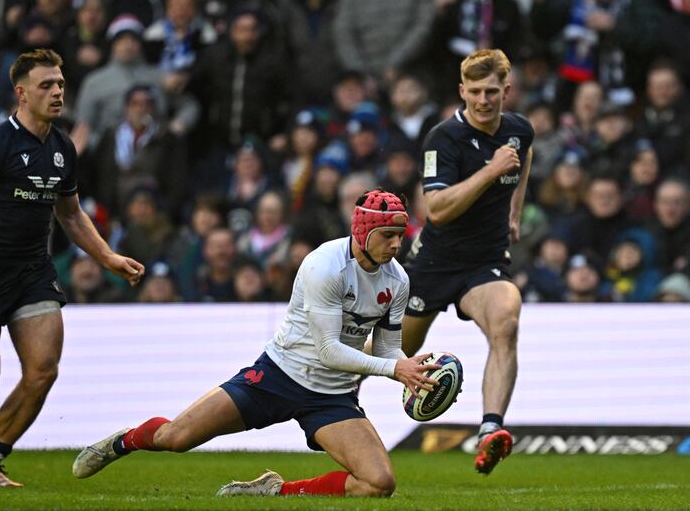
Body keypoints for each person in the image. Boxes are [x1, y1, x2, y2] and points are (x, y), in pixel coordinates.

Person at [72, 189, 441, 498]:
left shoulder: (398, 280)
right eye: (387, 235)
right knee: (176, 437)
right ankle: (124, 441)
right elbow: (328, 349)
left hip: (331, 396)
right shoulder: (324, 266)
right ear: (362, 231)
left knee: (379, 484)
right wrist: (395, 368)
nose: (397, 244)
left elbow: (388, 349)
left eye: (400, 234)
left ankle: (275, 490)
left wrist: (413, 373)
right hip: (278, 375)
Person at [0, 49, 145, 487]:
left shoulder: (62, 148)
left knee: (43, 370)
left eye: (60, 84)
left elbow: (70, 214)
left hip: (34, 271)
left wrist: (108, 257)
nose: (57, 93)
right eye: (46, 86)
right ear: (21, 93)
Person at [400, 49, 534, 475]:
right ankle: (329, 394)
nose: (483, 100)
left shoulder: (519, 131)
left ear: (506, 91)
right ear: (462, 91)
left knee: (506, 322)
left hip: (485, 264)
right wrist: (492, 172)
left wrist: (514, 212)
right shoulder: (444, 138)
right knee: (397, 351)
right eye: (474, 91)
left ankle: (490, 430)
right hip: (435, 264)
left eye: (491, 91)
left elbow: (523, 154)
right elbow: (436, 209)